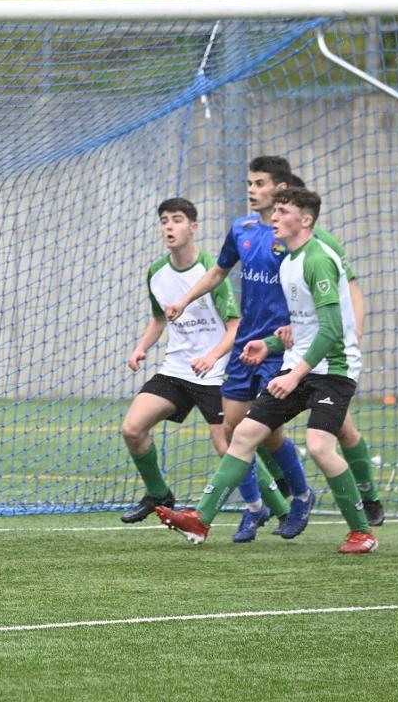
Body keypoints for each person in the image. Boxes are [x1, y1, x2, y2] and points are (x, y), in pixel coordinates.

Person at [164, 157, 383, 539]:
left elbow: (335, 320)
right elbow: (299, 321)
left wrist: (345, 342)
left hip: (327, 365)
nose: (253, 192)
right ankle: (212, 516)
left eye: (261, 185)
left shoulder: (318, 254)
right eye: (251, 183)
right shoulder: (279, 253)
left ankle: (364, 514)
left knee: (328, 441)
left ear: (300, 214)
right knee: (242, 431)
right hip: (288, 357)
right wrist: (268, 343)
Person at [119, 198, 263, 542]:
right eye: (164, 220)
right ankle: (159, 494)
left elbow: (235, 327)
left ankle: (264, 506)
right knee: (132, 429)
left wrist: (212, 357)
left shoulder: (211, 271)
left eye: (177, 219)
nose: (169, 226)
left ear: (193, 227)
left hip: (214, 372)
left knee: (227, 447)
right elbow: (159, 319)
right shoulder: (156, 273)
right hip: (176, 370)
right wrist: (141, 347)